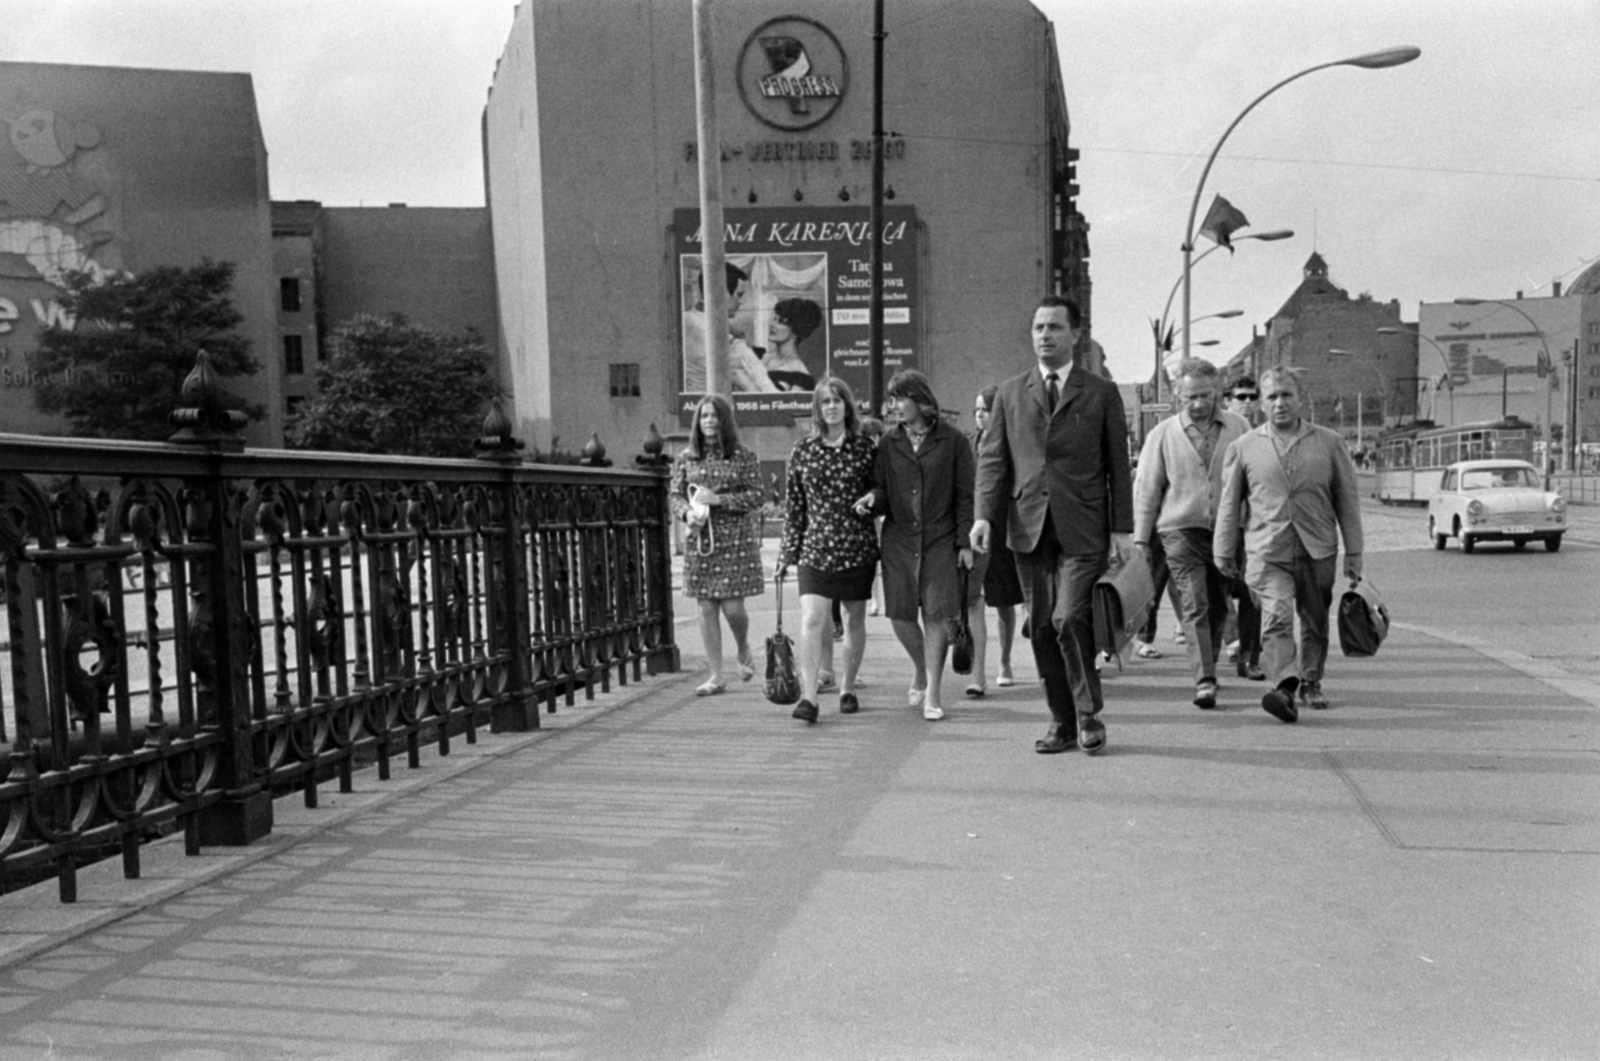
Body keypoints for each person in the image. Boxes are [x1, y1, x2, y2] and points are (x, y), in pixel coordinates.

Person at [972, 295, 1133, 755]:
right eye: (1039, 328)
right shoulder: (1010, 392)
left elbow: (1117, 466)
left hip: (1084, 527)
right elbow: (993, 461)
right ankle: (1061, 720)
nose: (1045, 336)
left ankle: (1088, 714)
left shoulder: (1100, 392)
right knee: (1041, 626)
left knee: (1068, 618)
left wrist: (1121, 528)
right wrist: (984, 516)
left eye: (1055, 328)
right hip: (1029, 527)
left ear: (1075, 335)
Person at [1214, 367, 1364, 722]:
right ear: (1262, 404)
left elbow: (1347, 499)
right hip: (1267, 550)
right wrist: (1223, 549)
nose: (1279, 403)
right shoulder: (1244, 447)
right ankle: (1284, 685)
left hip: (1318, 547)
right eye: (1271, 397)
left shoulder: (1329, 443)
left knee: (1314, 619)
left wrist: (1354, 551)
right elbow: (1229, 503)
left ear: (1300, 399)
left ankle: (1311, 680)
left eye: (1286, 395)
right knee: (1277, 616)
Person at [1133, 359, 1251, 709]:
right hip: (1179, 531)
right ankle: (1205, 679)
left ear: (1217, 391)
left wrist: (1255, 526)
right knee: (1194, 603)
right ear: (1176, 396)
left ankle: (1209, 662)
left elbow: (1253, 481)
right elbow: (1148, 489)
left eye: (1204, 395)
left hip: (1226, 533)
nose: (1198, 404)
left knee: (1217, 606)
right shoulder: (1162, 435)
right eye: (1189, 397)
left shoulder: (1239, 427)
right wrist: (1141, 540)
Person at [861, 370, 975, 721]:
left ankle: (934, 695)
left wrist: (964, 542)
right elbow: (880, 487)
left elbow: (965, 496)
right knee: (899, 614)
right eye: (892, 399)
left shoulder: (953, 441)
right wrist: (871, 500)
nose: (893, 406)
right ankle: (922, 669)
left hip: (940, 539)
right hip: (898, 540)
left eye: (900, 398)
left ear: (921, 400)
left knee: (937, 613)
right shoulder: (888, 443)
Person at [775, 378, 880, 723]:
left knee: (853, 619)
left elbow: (881, 489)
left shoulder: (865, 448)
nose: (832, 406)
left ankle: (847, 686)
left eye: (837, 400)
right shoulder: (802, 451)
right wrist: (786, 555)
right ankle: (808, 697)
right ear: (817, 409)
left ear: (847, 406)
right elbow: (795, 508)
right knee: (812, 619)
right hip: (815, 547)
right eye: (825, 402)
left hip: (855, 545)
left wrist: (873, 499)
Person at [669, 394, 766, 696]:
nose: (709, 421)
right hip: (702, 540)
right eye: (704, 416)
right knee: (706, 606)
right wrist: (686, 513)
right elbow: (675, 494)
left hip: (735, 538)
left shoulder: (742, 455)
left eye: (714, 416)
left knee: (734, 608)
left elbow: (756, 496)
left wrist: (720, 500)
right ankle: (716, 675)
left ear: (724, 421)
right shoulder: (687, 457)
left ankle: (742, 646)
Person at [965, 385, 1025, 694]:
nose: (979, 415)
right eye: (976, 410)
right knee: (974, 601)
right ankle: (978, 672)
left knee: (1003, 603)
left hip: (1002, 531)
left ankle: (1004, 661)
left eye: (985, 410)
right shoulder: (968, 445)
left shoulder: (1012, 445)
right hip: (975, 533)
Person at [1222, 376, 1264, 680]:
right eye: (1241, 397)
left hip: (1252, 527)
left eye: (1253, 397)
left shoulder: (1264, 434)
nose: (1248, 403)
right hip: (1216, 526)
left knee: (1254, 590)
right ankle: (1231, 636)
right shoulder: (1223, 431)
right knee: (1215, 589)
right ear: (1228, 400)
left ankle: (1250, 655)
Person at [683, 262, 775, 394]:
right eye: (739, 294)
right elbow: (754, 373)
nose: (741, 301)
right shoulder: (715, 332)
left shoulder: (689, 319)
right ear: (720, 293)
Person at [762, 298, 823, 392]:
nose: (771, 324)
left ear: (795, 332)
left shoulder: (799, 373)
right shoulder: (764, 357)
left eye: (781, 321)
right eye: (775, 319)